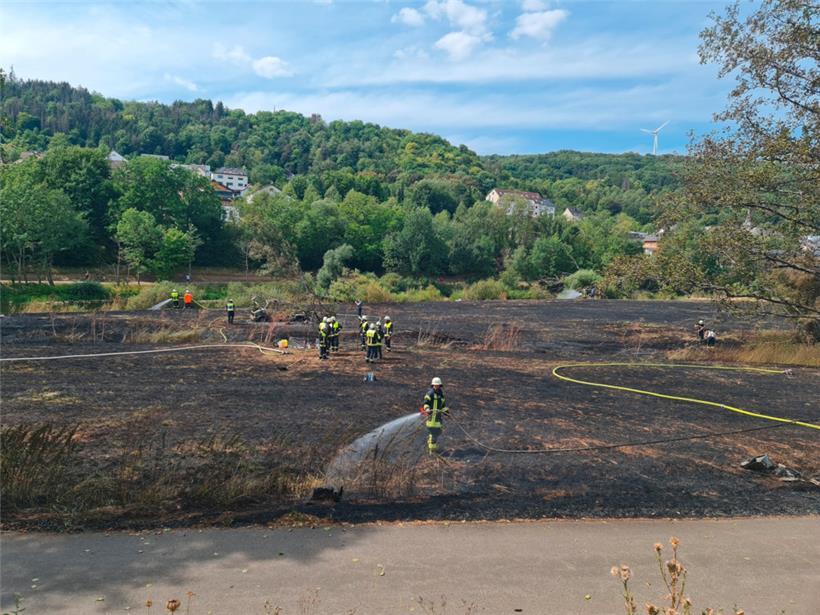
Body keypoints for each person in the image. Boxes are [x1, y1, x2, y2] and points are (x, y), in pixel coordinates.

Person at [423, 377, 449, 454]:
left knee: (438, 432)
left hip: (438, 419)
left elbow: (443, 406)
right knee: (433, 434)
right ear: (433, 385)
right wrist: (427, 409)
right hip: (431, 419)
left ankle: (431, 443)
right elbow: (425, 403)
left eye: (438, 385)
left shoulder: (441, 395)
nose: (436, 386)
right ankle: (432, 450)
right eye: (435, 385)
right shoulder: (430, 394)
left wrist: (446, 412)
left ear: (440, 385)